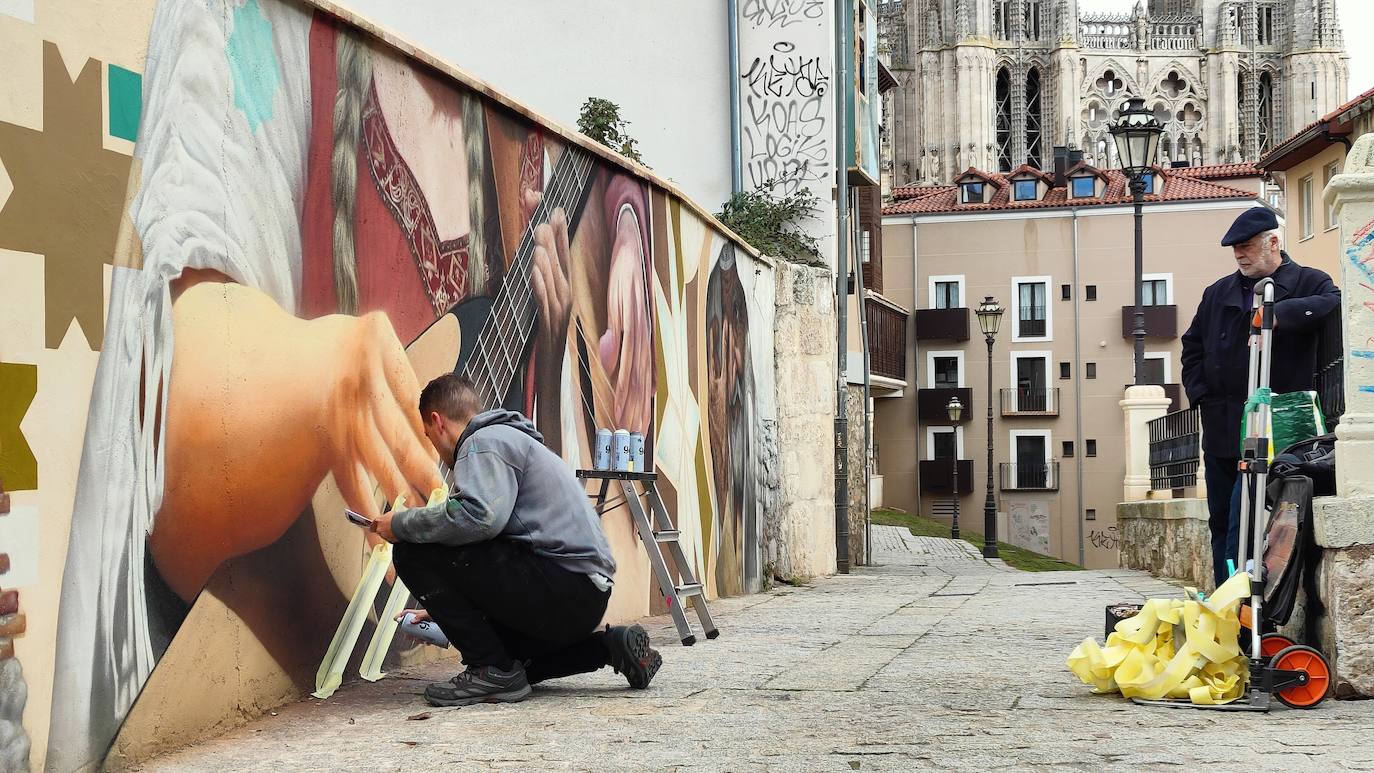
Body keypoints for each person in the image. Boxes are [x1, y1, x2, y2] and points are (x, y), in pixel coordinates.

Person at [372, 373, 662, 706]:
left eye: (428, 435)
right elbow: (497, 555)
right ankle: (609, 648)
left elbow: (478, 519)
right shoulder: (512, 440)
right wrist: (447, 609)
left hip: (561, 585)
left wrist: (401, 523)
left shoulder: (481, 443)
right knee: (516, 665)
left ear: (437, 422)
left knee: (412, 549)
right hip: (584, 595)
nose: (435, 449)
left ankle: (489, 669)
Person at [1181, 207, 1340, 588]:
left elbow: (1333, 303)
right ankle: (1225, 598)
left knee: (1246, 519)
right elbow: (1193, 347)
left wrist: (1278, 313)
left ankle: (1248, 607)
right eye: (1236, 248)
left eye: (1247, 246)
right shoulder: (1218, 292)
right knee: (1220, 520)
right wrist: (1201, 394)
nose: (1240, 254)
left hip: (1275, 427)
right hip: (1221, 425)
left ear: (1273, 242)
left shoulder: (1308, 281)